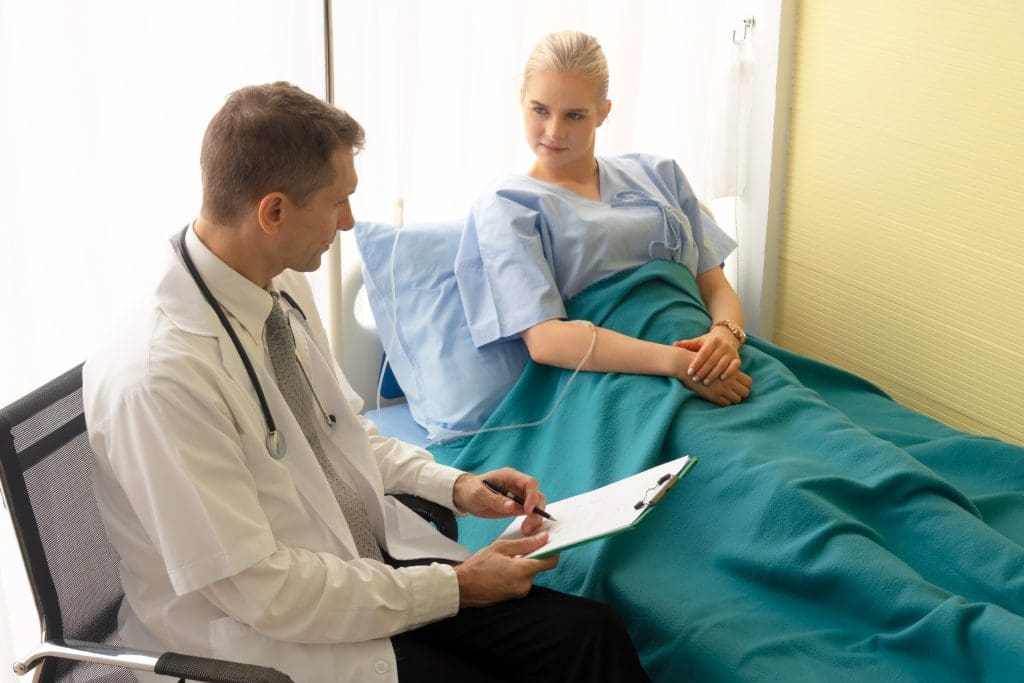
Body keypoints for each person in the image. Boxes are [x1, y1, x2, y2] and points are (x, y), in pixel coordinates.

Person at [83, 82, 649, 683]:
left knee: (588, 635)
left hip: (359, 575)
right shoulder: (161, 379)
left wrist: (457, 486)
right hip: (260, 641)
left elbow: (343, 432)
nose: (349, 222)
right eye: (338, 203)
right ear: (273, 213)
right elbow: (263, 593)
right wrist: (458, 587)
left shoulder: (274, 282)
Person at [456, 31, 753, 407]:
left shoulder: (660, 175)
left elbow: (716, 287)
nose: (554, 131)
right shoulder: (508, 204)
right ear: (521, 100)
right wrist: (679, 364)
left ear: (603, 112)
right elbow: (546, 341)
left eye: (574, 115)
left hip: (719, 365)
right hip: (613, 385)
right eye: (540, 110)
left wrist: (726, 335)